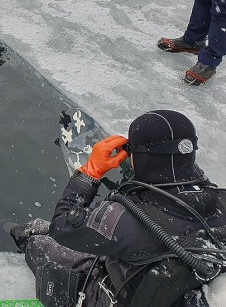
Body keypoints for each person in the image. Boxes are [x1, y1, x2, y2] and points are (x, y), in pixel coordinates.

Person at [15, 110, 226, 306]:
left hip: (119, 295)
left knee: (37, 242)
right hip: (175, 284)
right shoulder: (221, 200)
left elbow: (61, 227)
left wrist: (91, 171)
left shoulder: (125, 219)